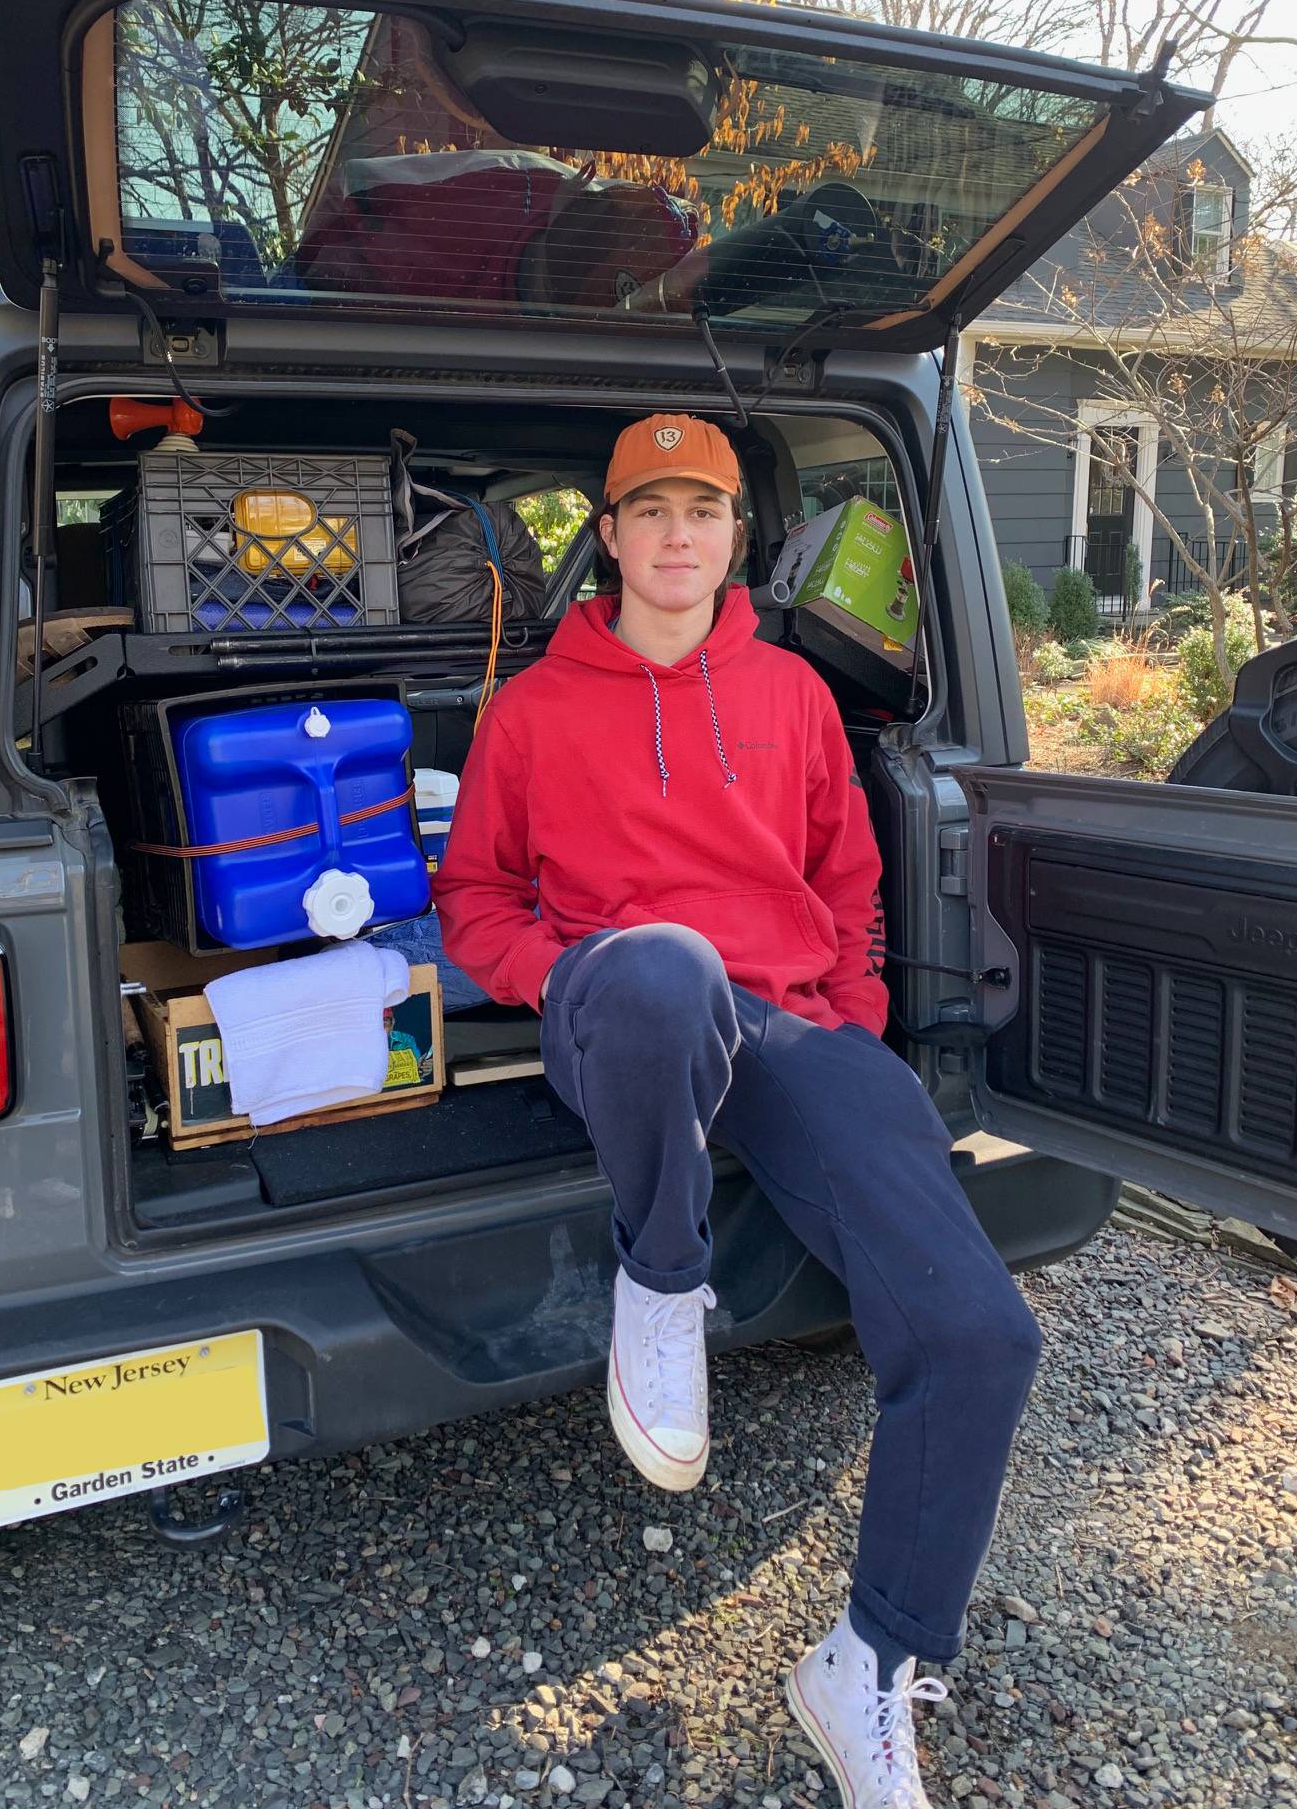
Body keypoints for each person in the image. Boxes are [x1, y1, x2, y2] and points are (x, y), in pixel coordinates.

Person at [433, 414, 1043, 1809]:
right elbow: (472, 900)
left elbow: (848, 878)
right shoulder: (530, 710)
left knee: (981, 1333)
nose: (676, 535)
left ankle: (870, 1661)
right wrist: (558, 977)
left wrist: (855, 1019)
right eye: (649, 510)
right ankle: (662, 1280)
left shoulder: (793, 693)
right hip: (623, 1010)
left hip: (783, 1020)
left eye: (700, 510)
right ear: (608, 535)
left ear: (734, 535)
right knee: (666, 968)